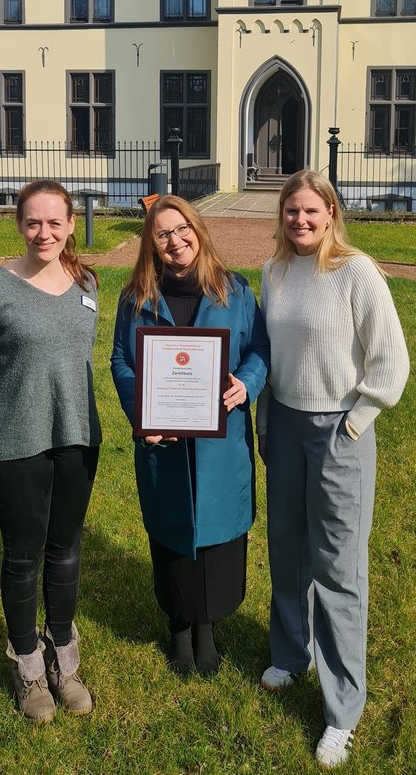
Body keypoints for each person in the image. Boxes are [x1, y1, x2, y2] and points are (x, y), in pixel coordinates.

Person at [257, 170, 410, 770]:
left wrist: (357, 420)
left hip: (339, 430)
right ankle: (292, 654)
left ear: (330, 214)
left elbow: (391, 359)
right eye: (291, 210)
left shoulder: (356, 271)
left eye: (311, 210)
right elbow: (270, 356)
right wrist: (266, 420)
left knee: (338, 568)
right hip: (284, 426)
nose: (300, 220)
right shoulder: (273, 272)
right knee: (287, 548)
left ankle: (342, 710)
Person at [0, 180, 101, 723]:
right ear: (19, 224)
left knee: (65, 550)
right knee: (23, 555)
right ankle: (28, 666)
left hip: (78, 437)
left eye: (55, 222)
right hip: (15, 445)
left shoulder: (86, 283)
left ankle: (64, 659)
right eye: (33, 222)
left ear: (70, 224)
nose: (44, 232)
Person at [110, 196, 269, 677]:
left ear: (198, 231)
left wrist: (247, 383)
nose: (175, 241)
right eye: (163, 234)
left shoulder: (235, 291)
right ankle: (179, 627)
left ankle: (207, 626)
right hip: (164, 441)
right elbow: (121, 360)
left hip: (220, 440)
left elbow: (259, 348)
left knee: (219, 532)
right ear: (151, 243)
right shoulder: (136, 297)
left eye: (183, 230)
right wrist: (143, 413)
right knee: (171, 530)